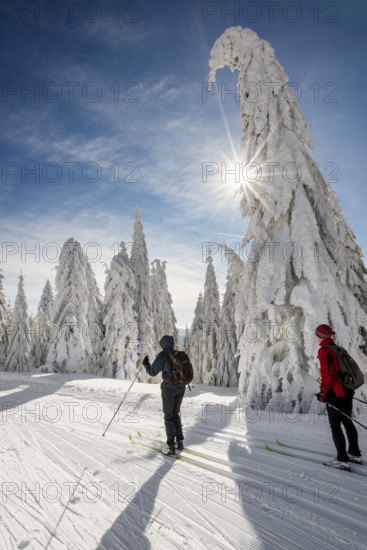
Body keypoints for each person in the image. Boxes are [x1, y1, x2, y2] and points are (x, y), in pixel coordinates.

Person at [315, 324, 362, 470]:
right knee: (348, 421)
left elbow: (327, 376)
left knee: (335, 425)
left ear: (320, 336)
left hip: (335, 394)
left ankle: (342, 459)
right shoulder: (340, 349)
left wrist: (323, 393)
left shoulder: (324, 351)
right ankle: (354, 454)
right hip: (347, 391)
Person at [143, 335, 185, 456]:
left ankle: (171, 446)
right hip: (181, 388)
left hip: (169, 390)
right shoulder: (178, 354)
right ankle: (180, 442)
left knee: (168, 417)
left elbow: (152, 372)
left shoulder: (163, 355)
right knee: (175, 414)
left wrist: (146, 364)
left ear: (163, 344)